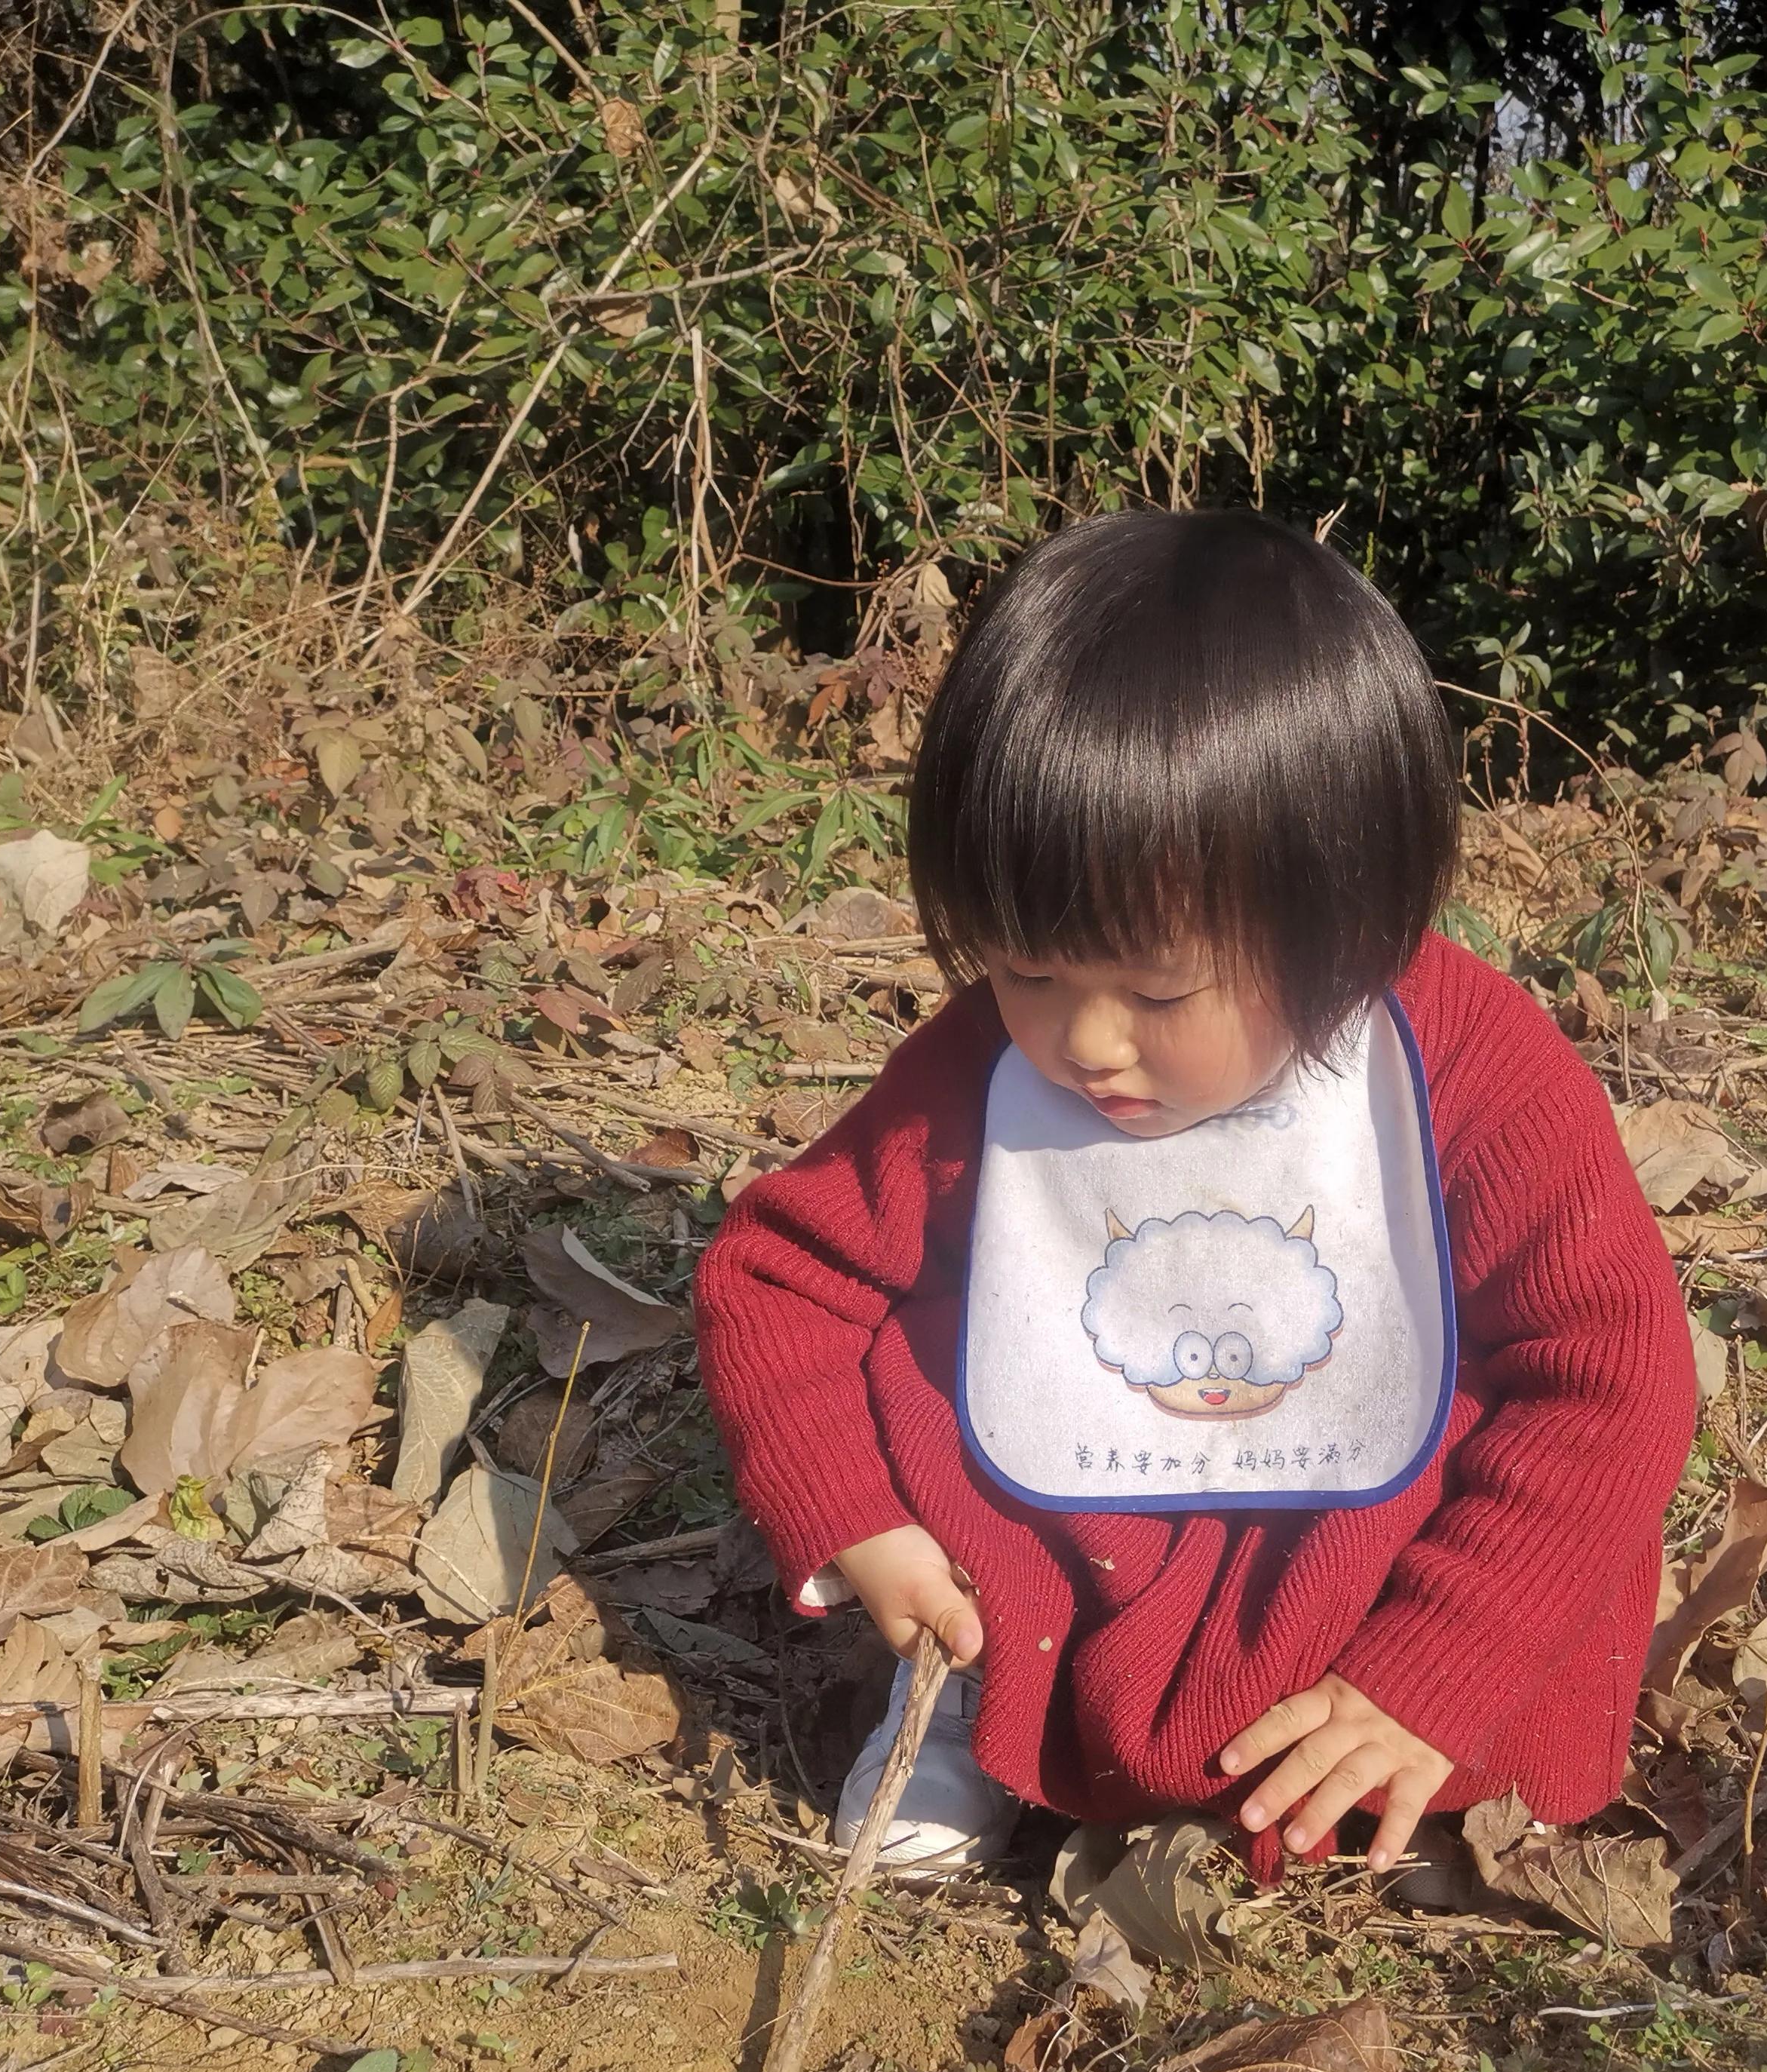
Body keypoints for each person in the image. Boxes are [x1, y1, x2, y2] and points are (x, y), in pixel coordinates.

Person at [692, 508, 1693, 1878]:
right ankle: (966, 1698)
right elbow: (782, 1277)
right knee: (928, 1350)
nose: (1086, 1043)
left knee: (1489, 1486)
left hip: (1351, 1574)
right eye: (1026, 969)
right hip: (1057, 1560)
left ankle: (1377, 1736)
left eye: (1160, 992)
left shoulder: (1464, 1068)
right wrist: (858, 1520)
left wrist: (1435, 1666)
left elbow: (1613, 1377)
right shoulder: (984, 1071)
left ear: (1346, 925)